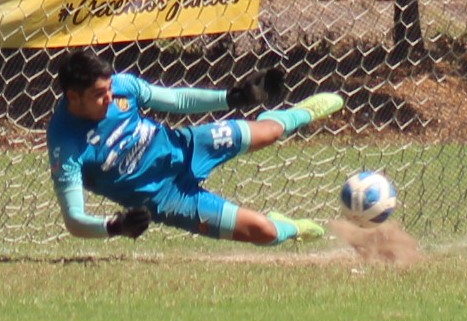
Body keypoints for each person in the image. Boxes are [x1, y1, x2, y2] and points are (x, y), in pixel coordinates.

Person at [46, 49, 346, 245]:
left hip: (187, 147)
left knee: (268, 132)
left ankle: (300, 113)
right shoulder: (65, 144)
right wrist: (115, 226)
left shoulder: (123, 86)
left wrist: (233, 98)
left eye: (110, 89)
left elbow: (177, 101)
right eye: (100, 94)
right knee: (264, 233)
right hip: (169, 199)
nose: (110, 98)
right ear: (73, 96)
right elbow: (74, 220)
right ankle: (290, 228)